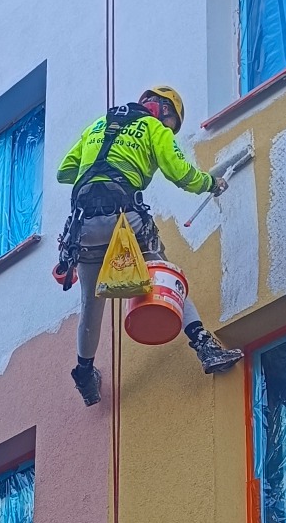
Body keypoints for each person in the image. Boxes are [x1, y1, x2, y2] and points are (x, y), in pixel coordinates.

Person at [54, 85, 242, 404]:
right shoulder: (154, 127)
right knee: (166, 276)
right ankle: (206, 349)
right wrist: (211, 183)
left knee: (90, 301)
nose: (169, 130)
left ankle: (85, 374)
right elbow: (179, 173)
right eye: (172, 126)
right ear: (164, 111)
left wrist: (103, 165)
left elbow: (65, 172)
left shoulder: (97, 127)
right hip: (124, 215)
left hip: (83, 227)